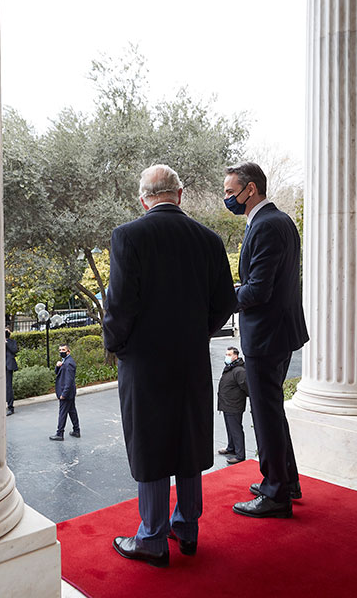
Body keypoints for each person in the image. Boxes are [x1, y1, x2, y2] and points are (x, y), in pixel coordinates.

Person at [103, 164, 237, 567]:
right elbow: (226, 303)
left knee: (151, 442)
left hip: (145, 363)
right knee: (189, 438)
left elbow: (120, 304)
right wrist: (199, 331)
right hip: (191, 358)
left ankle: (152, 537)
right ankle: (187, 529)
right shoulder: (209, 240)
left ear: (144, 199)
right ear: (179, 195)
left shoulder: (128, 236)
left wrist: (118, 346)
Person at [223, 161, 308, 519]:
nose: (226, 197)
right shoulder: (280, 221)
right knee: (271, 409)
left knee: (266, 412)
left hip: (267, 337)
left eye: (230, 191)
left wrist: (221, 297)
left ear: (251, 189)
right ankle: (285, 480)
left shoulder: (266, 225)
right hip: (279, 332)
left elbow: (258, 289)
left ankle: (275, 494)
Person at [217, 346, 249, 465]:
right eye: (226, 354)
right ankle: (231, 447)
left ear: (236, 356)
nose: (227, 356)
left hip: (234, 405)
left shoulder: (239, 371)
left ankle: (240, 455)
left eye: (229, 354)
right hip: (226, 404)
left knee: (236, 429)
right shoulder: (230, 368)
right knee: (230, 428)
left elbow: (246, 386)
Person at [49, 344, 79, 441]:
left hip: (67, 393)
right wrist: (58, 366)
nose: (61, 351)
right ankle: (76, 430)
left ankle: (59, 433)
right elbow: (58, 373)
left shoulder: (69, 363)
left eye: (63, 350)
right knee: (72, 411)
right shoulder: (65, 361)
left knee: (62, 413)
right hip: (69, 392)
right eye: (60, 350)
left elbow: (69, 380)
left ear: (68, 351)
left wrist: (64, 394)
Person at [5, 328, 19, 415]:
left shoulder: (12, 342)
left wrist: (6, 343)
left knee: (8, 387)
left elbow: (14, 351)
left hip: (8, 366)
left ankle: (10, 407)